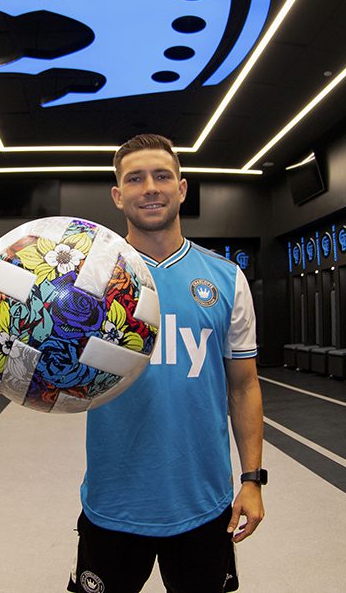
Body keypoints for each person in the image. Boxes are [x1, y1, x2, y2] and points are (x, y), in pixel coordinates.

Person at [68, 134, 266, 593]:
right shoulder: (92, 280)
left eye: (161, 176)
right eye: (134, 179)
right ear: (118, 196)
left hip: (203, 503)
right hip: (113, 501)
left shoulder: (227, 278)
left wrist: (253, 479)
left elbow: (244, 386)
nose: (149, 187)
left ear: (182, 188)